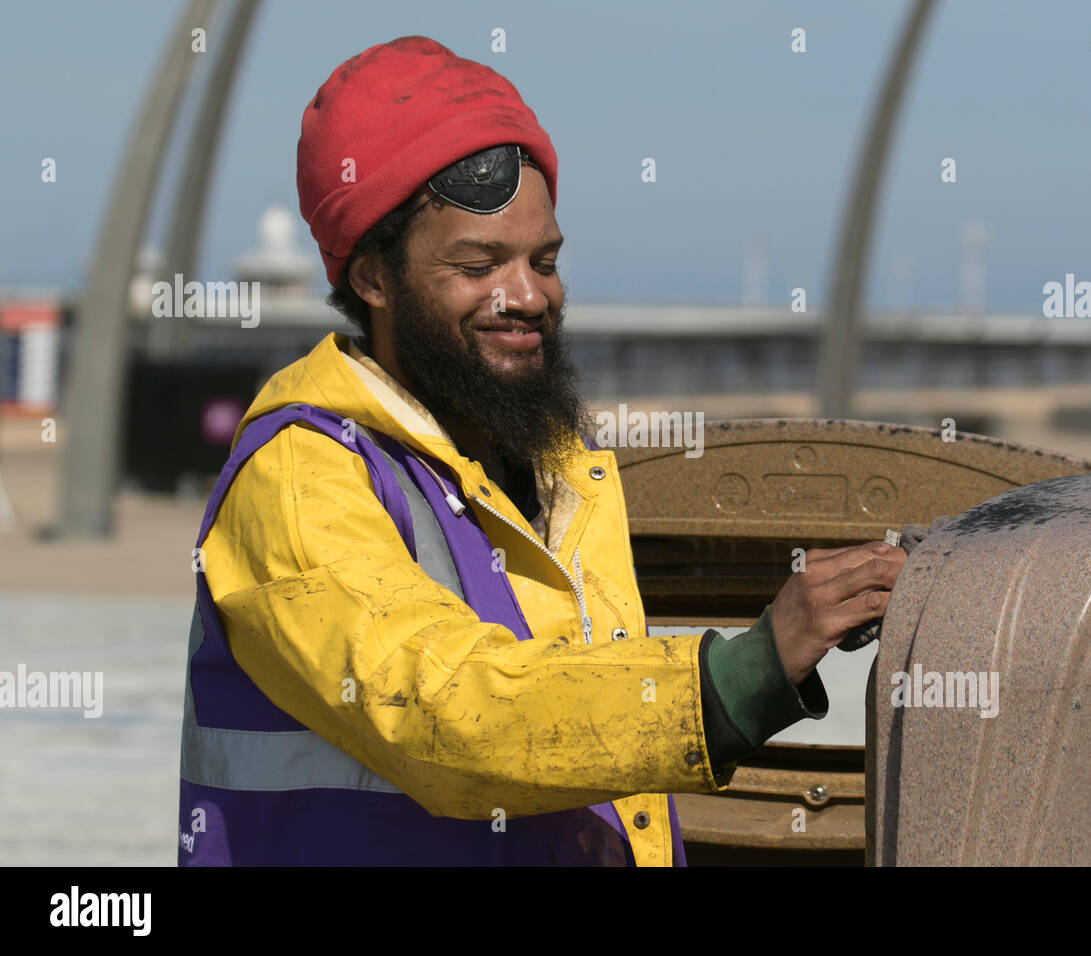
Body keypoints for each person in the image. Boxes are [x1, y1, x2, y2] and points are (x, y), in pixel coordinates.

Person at [177, 35, 907, 866]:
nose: (527, 296)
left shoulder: (560, 468)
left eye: (545, 260)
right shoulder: (303, 477)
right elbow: (447, 713)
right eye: (479, 264)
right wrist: (744, 675)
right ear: (374, 279)